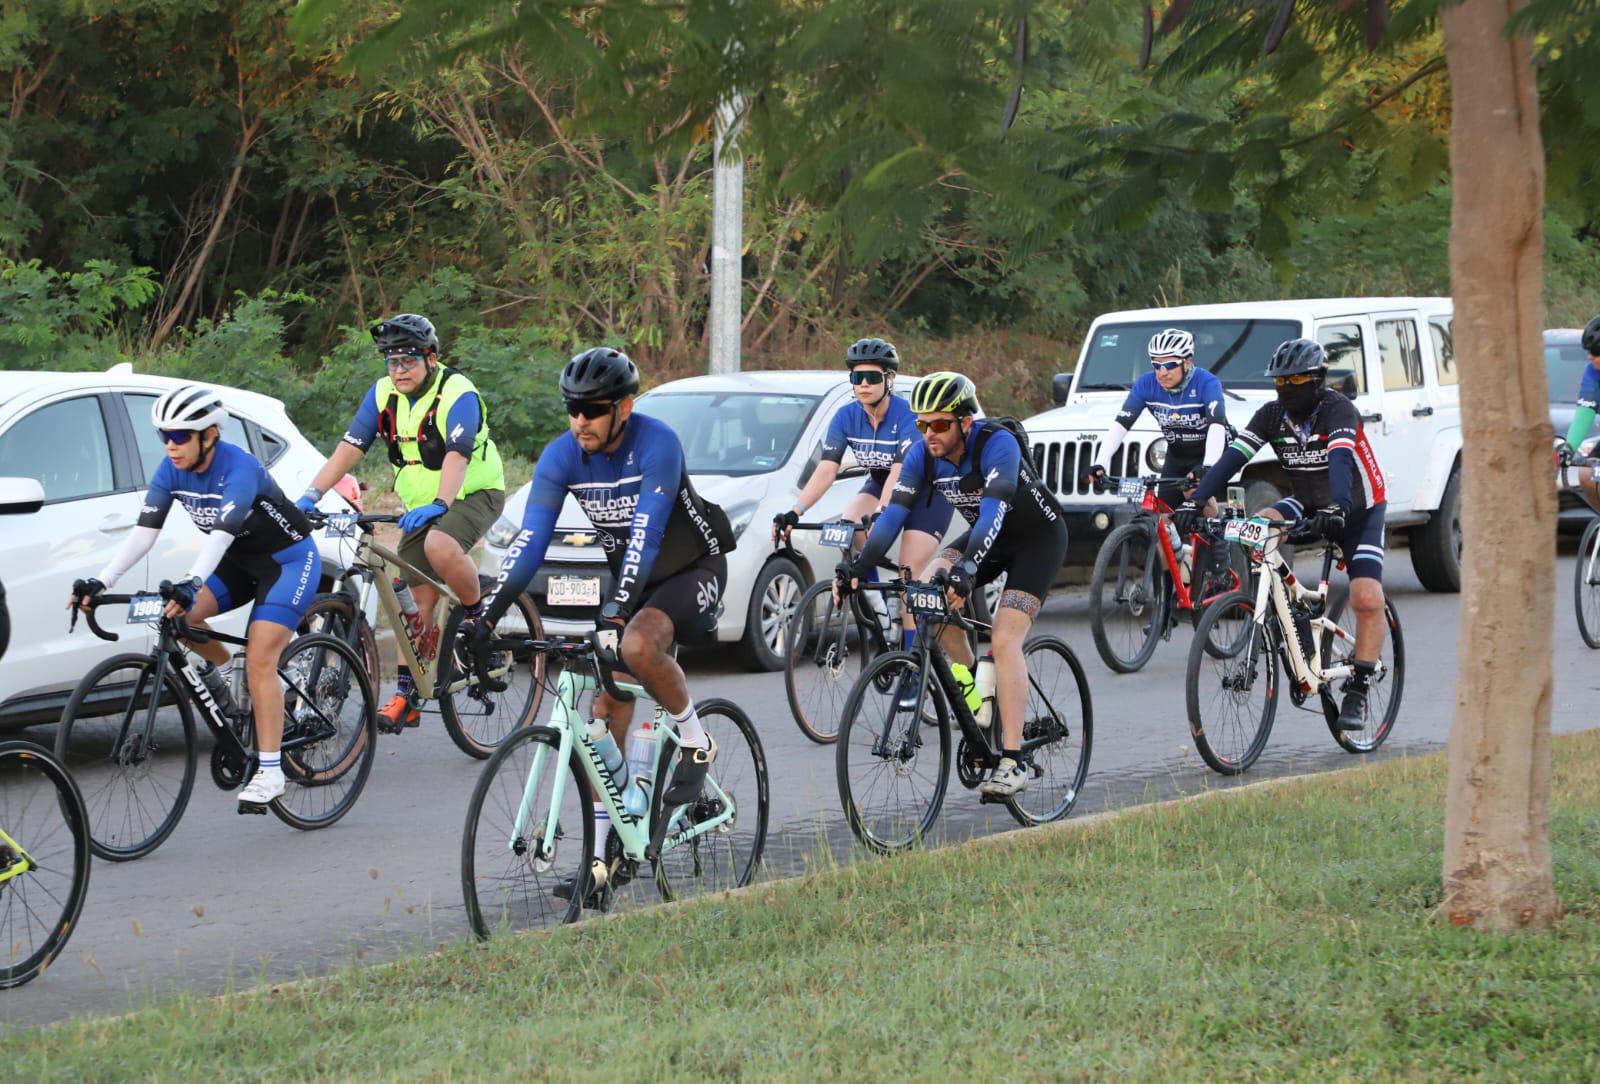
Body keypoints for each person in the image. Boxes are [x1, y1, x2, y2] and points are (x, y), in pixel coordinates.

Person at [478, 347, 735, 902]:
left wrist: (616, 616)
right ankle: (603, 861)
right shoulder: (562, 456)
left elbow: (645, 533)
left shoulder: (656, 442)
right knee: (599, 714)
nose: (579, 421)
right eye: (572, 409)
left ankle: (695, 739)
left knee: (637, 644)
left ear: (624, 407)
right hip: (635, 581)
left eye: (592, 409)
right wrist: (486, 615)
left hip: (692, 567)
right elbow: (530, 542)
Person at [70, 385, 321, 809]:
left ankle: (272, 770)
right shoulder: (171, 470)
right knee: (181, 619)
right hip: (238, 564)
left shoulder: (238, 468)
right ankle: (230, 675)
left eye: (181, 435)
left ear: (209, 435)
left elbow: (220, 536)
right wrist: (102, 581)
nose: (171, 444)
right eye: (164, 435)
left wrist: (190, 582)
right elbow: (144, 533)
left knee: (260, 658)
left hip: (288, 562)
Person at [840, 372, 1068, 798]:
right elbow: (892, 517)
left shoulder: (996, 443)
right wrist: (857, 569)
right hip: (985, 537)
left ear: (965, 421)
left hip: (1036, 539)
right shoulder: (923, 455)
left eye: (940, 424)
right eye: (923, 424)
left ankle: (1013, 761)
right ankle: (975, 695)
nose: (929, 433)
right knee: (926, 597)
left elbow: (993, 512)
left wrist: (966, 570)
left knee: (1004, 639)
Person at [298, 314, 506, 732]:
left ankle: (477, 620)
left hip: (473, 492)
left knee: (439, 548)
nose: (398, 371)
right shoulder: (382, 395)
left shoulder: (456, 391)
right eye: (391, 362)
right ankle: (408, 693)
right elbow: (349, 448)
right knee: (410, 599)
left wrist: (442, 502)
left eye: (407, 361)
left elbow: (458, 454)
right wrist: (311, 494)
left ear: (430, 358)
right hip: (422, 505)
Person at [1175, 338, 1388, 730]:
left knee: (1366, 595)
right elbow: (1233, 458)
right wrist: (1196, 501)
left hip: (1358, 507)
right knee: (1261, 523)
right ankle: (1283, 610)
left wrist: (1338, 509)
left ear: (1318, 381)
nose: (1287, 390)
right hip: (1306, 499)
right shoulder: (1271, 415)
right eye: (1280, 383)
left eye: (1297, 382)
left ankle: (1358, 686)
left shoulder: (1338, 410)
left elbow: (1340, 461)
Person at [771, 337, 951, 649]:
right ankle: (879, 608)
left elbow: (900, 472)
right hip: (882, 481)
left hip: (926, 491)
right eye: (857, 378)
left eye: (872, 378)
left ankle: (911, 658)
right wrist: (795, 511)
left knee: (909, 576)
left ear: (889, 379)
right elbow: (827, 469)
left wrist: (881, 513)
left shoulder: (907, 415)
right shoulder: (845, 416)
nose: (863, 385)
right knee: (849, 524)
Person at [1084, 327, 1231, 581]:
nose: (1162, 372)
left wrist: (1207, 467)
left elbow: (1217, 426)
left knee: (1198, 496)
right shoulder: (1146, 385)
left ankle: (1220, 547)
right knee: (1162, 521)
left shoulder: (1207, 383)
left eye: (1170, 365)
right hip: (1177, 453)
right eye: (1156, 365)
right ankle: (1169, 594)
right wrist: (1099, 462)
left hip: (1211, 450)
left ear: (1187, 362)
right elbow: (1121, 424)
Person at [1559, 315, 1600, 503]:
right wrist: (1569, 447)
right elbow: (1585, 411)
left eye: (1594, 351)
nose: (1589, 356)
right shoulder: (1592, 372)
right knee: (1587, 475)